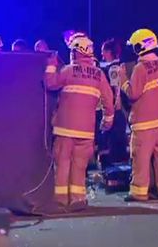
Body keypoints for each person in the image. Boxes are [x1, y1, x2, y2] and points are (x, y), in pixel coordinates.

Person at [45, 33, 115, 211]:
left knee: (62, 165)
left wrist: (51, 65)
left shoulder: (68, 71)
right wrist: (107, 121)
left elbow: (50, 83)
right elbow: (108, 100)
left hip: (64, 129)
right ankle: (78, 199)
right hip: (86, 131)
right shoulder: (99, 75)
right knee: (79, 166)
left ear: (77, 52)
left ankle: (60, 200)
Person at [119, 28, 158, 202]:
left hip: (143, 123)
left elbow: (133, 94)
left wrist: (123, 81)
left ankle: (138, 192)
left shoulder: (140, 68)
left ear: (139, 47)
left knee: (140, 159)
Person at [97, 38, 129, 168]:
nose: (102, 54)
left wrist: (116, 104)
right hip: (116, 109)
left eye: (103, 51)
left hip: (115, 109)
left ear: (109, 52)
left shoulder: (113, 68)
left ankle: (115, 169)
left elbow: (116, 88)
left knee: (114, 139)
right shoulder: (119, 65)